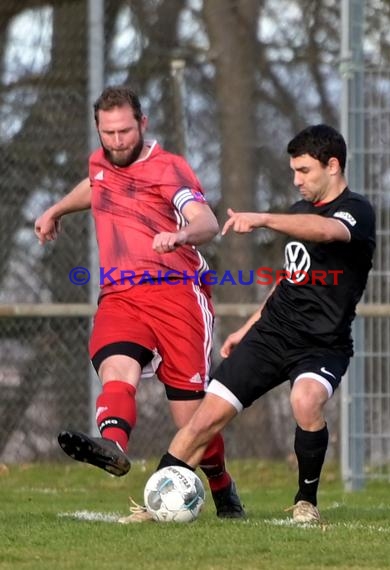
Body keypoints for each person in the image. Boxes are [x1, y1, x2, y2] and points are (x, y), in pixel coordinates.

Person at [34, 85, 245, 522]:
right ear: (98, 129)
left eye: (125, 131)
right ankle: (113, 444)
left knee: (191, 418)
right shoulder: (100, 163)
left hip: (177, 296)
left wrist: (181, 234)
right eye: (108, 132)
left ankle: (222, 486)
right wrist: (56, 209)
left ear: (142, 124)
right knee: (116, 367)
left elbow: (205, 221)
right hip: (121, 294)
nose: (116, 141)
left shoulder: (170, 168)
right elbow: (97, 186)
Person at [154, 124, 376, 523]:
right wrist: (247, 328)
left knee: (305, 401)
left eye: (304, 171)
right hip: (270, 335)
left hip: (322, 345)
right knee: (204, 418)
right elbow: (289, 280)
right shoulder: (295, 213)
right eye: (293, 171)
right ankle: (156, 501)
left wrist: (262, 219)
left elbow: (327, 231)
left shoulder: (356, 211)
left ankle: (306, 501)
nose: (297, 180)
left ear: (333, 166)